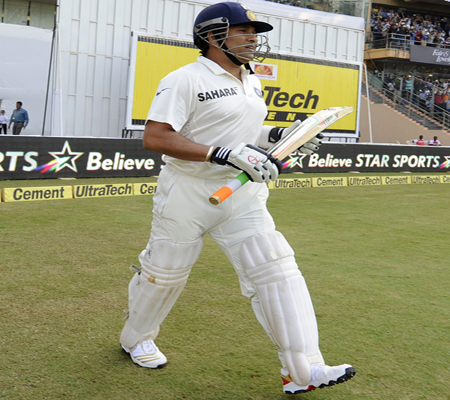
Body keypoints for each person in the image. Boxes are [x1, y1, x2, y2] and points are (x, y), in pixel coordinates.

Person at [119, 2, 356, 395]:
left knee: (275, 268)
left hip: (242, 191)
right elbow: (156, 137)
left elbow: (245, 130)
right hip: (188, 191)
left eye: (255, 32)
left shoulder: (251, 80)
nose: (253, 38)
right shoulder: (185, 79)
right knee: (167, 273)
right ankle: (135, 338)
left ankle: (303, 370)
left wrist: (278, 137)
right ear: (212, 36)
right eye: (243, 30)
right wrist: (220, 152)